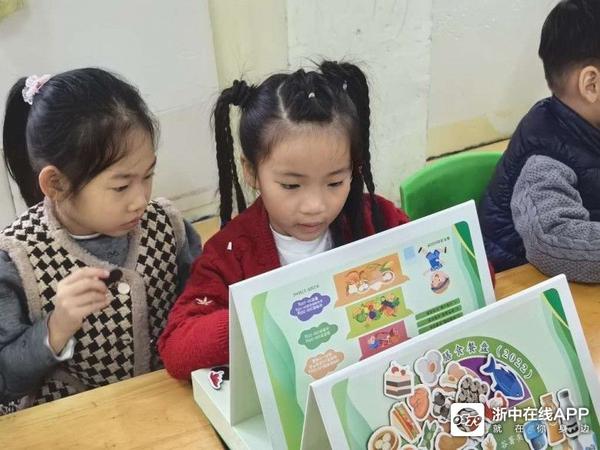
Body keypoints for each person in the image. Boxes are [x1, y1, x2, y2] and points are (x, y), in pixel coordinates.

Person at [158, 61, 410, 379]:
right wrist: (263, 322)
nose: (315, 206)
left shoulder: (376, 219)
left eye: (335, 182)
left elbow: (444, 268)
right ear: (251, 171)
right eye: (291, 185)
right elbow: (177, 347)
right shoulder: (231, 251)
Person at [0, 68, 200, 414]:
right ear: (56, 184)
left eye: (148, 175)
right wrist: (56, 327)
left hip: (165, 413)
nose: (140, 199)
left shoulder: (168, 227)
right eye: (121, 186)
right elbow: (5, 382)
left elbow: (202, 304)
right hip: (69, 426)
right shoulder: (16, 259)